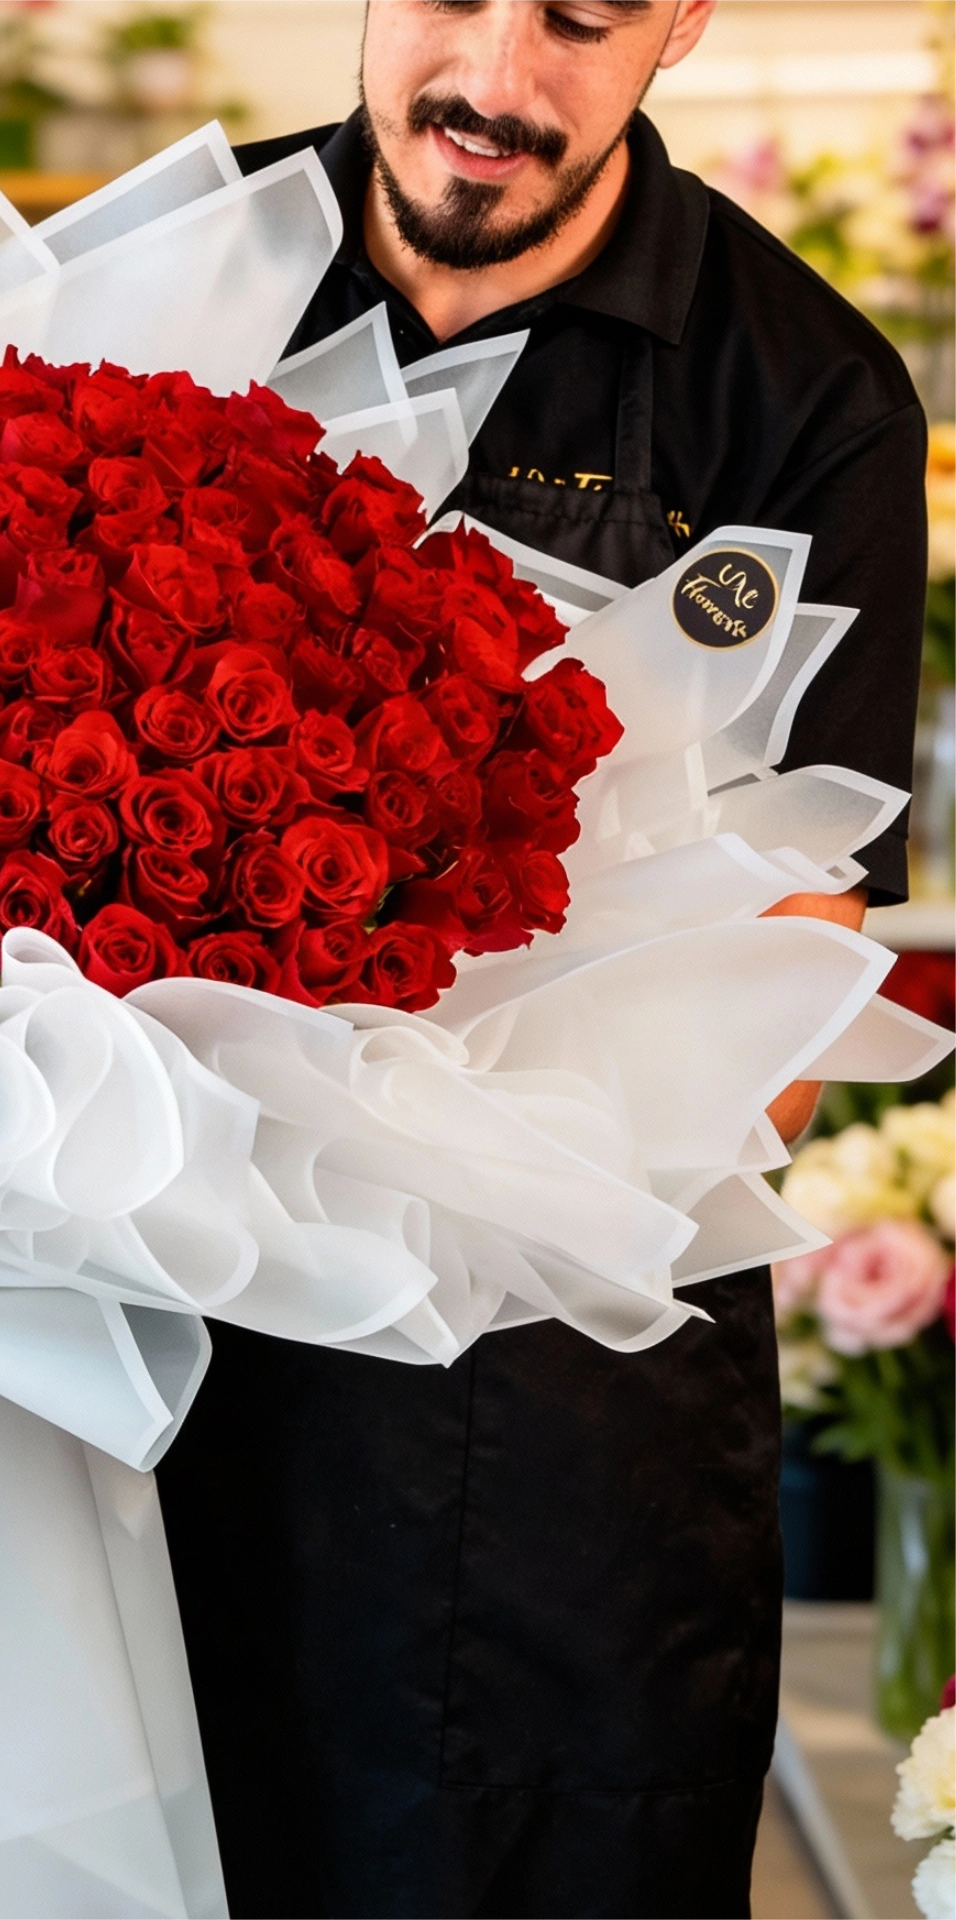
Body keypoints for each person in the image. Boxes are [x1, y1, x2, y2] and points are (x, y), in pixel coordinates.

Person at [155, 0, 927, 1914]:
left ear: (680, 20)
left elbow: (791, 1004)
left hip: (544, 1396)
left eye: (580, 18)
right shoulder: (159, 265)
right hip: (145, 1304)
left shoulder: (798, 395)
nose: (493, 80)